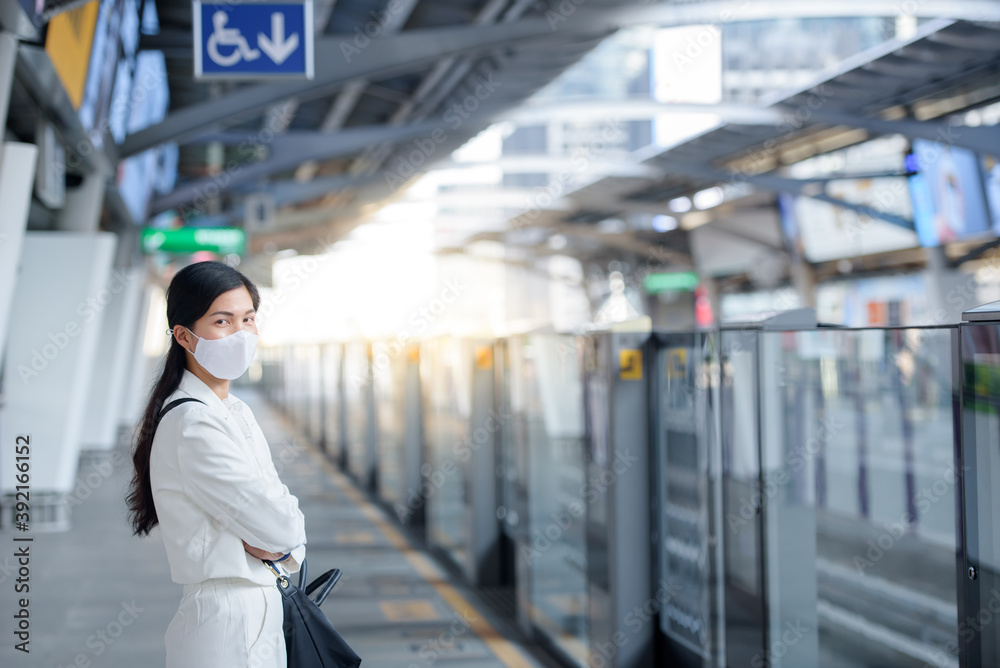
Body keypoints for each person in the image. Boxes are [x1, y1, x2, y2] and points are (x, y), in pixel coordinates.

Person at [126, 260, 306, 668]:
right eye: (222, 321)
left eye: (248, 319)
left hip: (255, 612)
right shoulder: (193, 422)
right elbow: (283, 525)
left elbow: (280, 526)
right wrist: (279, 531)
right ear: (184, 336)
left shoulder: (233, 409)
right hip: (225, 626)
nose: (241, 334)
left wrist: (277, 537)